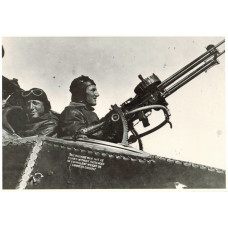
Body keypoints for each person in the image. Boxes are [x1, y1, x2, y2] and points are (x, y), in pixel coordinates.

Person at [59, 75, 103, 139]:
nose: (97, 94)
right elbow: (80, 136)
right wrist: (105, 122)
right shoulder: (71, 112)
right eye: (93, 90)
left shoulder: (91, 114)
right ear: (81, 93)